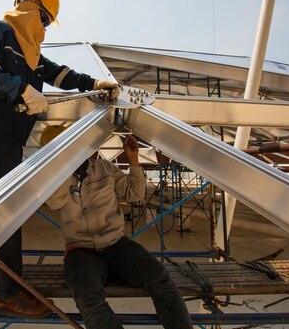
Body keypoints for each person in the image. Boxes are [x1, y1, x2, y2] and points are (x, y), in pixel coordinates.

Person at [0, 0, 119, 319]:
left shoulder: (30, 51)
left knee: (2, 206)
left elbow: (58, 74)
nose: (46, 30)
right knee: (8, 210)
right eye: (46, 21)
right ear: (32, 9)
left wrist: (93, 84)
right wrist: (21, 89)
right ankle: (8, 293)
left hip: (11, 136)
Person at [43, 127, 193, 329]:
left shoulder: (105, 168)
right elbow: (54, 201)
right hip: (80, 251)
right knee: (88, 297)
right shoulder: (53, 180)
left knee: (160, 278)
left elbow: (135, 195)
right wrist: (66, 169)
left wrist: (133, 161)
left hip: (116, 244)